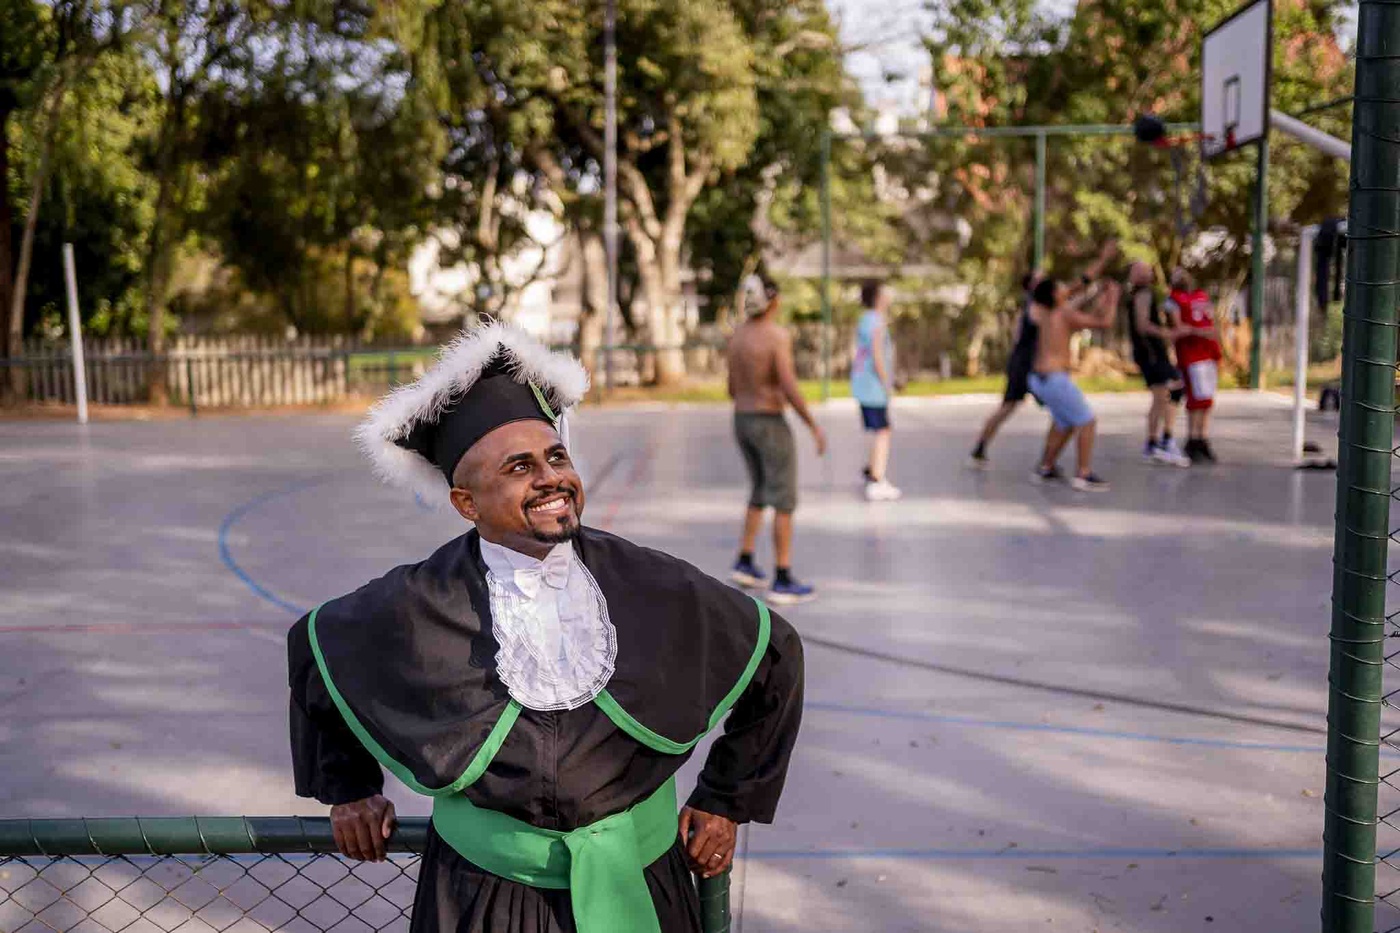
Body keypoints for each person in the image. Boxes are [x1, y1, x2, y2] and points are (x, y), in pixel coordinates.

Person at [289, 322, 805, 933]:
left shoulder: (651, 580)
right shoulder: (418, 600)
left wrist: (725, 798)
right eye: (519, 467)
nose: (551, 478)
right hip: (479, 899)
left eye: (556, 457)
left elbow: (775, 652)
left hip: (644, 884)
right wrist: (348, 787)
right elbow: (319, 650)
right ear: (467, 503)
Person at [970, 240, 1118, 468]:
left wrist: (1097, 289)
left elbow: (1077, 296)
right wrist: (1103, 260)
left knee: (1060, 413)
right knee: (1011, 406)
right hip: (1026, 365)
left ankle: (1047, 462)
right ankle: (982, 447)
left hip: (1038, 367)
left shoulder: (1047, 306)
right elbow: (1080, 287)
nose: (1048, 280)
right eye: (1040, 278)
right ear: (1033, 286)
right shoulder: (1039, 306)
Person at [726, 275, 827, 604]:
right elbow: (788, 384)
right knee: (784, 499)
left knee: (758, 490)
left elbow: (731, 388)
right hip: (770, 422)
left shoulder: (737, 337)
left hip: (742, 420)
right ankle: (782, 577)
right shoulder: (776, 336)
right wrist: (812, 425)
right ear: (774, 301)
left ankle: (745, 560)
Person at [1027, 274, 1122, 491]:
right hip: (1054, 379)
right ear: (1054, 294)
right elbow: (1104, 323)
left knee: (1064, 422)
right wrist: (1113, 298)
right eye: (1062, 286)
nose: (1067, 289)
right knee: (1087, 421)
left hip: (1038, 379)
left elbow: (1084, 313)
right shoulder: (1064, 313)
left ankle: (1046, 467)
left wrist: (1099, 295)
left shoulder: (1044, 312)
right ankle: (1083, 474)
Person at [1125, 261, 1190, 467]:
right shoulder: (1144, 293)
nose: (1146, 273)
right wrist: (1168, 333)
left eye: (1147, 269)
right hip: (1151, 354)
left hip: (1149, 353)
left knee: (1160, 397)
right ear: (1133, 275)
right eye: (1140, 270)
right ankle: (1166, 441)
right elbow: (1142, 325)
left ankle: (1153, 444)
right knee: (1174, 390)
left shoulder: (1141, 294)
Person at [851, 279, 902, 500]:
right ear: (878, 297)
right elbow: (877, 354)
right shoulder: (877, 322)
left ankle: (871, 469)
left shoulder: (866, 319)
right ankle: (877, 480)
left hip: (863, 384)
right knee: (883, 431)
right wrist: (887, 382)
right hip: (873, 386)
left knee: (878, 429)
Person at [1167, 267, 1223, 463]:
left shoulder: (1200, 296)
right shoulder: (1173, 300)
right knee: (1196, 399)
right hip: (1192, 355)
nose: (1182, 276)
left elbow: (1211, 321)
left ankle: (1202, 437)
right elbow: (1180, 328)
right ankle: (1193, 438)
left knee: (1206, 399)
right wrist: (1198, 331)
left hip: (1208, 353)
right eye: (1176, 275)